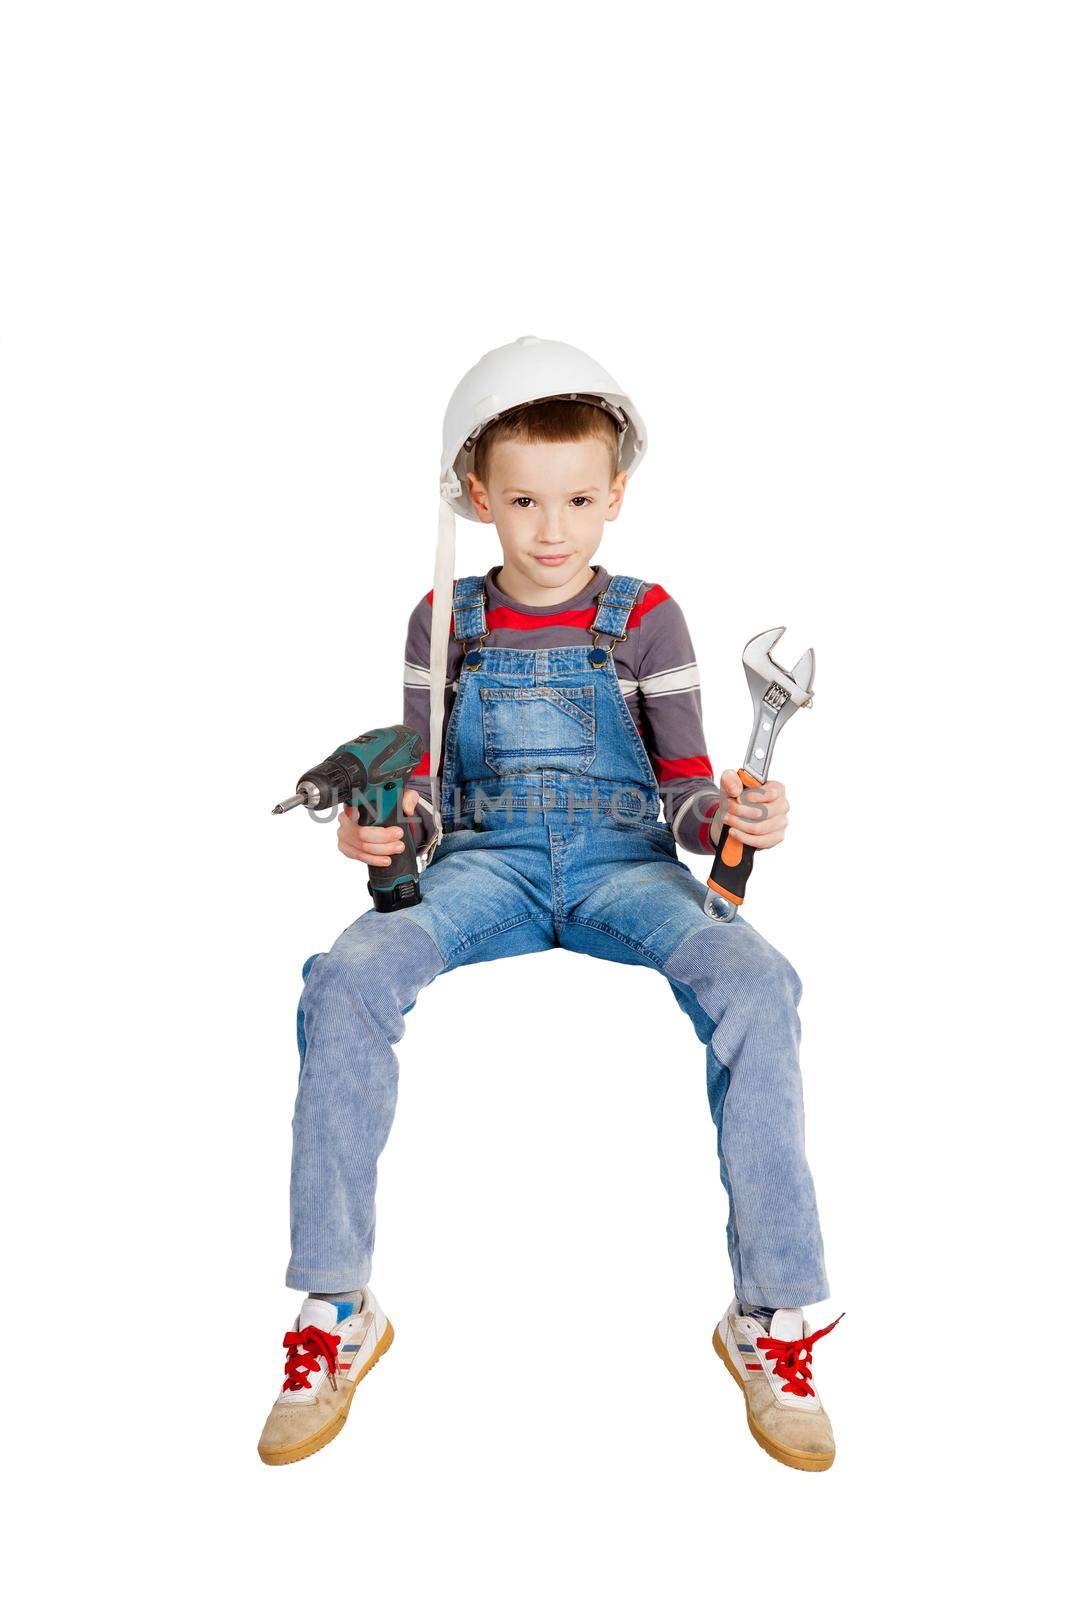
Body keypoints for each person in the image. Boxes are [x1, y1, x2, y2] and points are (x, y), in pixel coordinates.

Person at [258, 337, 841, 1472]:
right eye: (523, 499)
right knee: (344, 978)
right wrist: (381, 826)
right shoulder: (445, 621)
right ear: (476, 495)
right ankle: (333, 1307)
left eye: (578, 499)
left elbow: (680, 790)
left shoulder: (648, 619)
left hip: (629, 862)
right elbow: (424, 786)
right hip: (488, 863)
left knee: (758, 983)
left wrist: (728, 823)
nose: (551, 528)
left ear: (614, 492)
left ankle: (772, 1316)